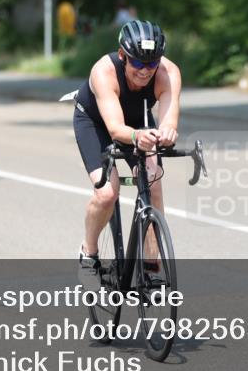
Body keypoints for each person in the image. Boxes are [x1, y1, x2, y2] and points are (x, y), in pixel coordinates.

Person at [72, 20, 181, 281]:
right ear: (123, 56)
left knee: (153, 181)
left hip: (139, 121)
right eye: (139, 63)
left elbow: (169, 120)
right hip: (97, 122)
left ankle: (150, 266)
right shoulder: (104, 71)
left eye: (152, 63)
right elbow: (115, 129)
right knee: (107, 193)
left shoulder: (169, 73)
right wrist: (136, 137)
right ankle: (89, 254)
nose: (146, 71)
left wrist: (166, 133)